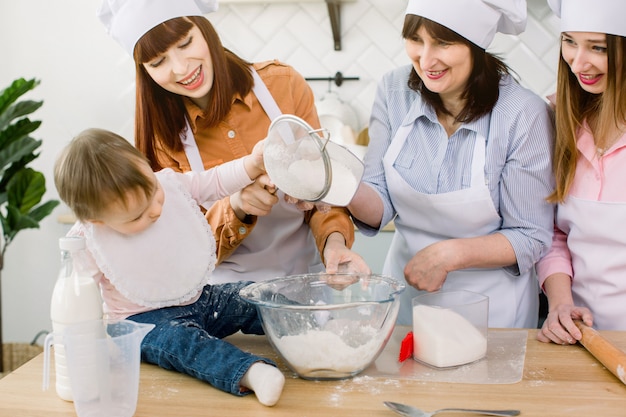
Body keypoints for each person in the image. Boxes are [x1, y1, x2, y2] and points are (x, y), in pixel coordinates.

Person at [97, 0, 369, 284]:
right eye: (158, 61)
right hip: (221, 300)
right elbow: (180, 248)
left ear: (205, 31)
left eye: (185, 42)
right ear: (145, 73)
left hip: (304, 283)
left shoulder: (283, 86)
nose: (181, 68)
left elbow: (323, 192)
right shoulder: (162, 140)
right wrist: (237, 207)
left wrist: (334, 245)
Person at [347, 0, 555, 327]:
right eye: (416, 39)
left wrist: (450, 255)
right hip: (405, 303)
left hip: (493, 313)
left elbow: (530, 236)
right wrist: (336, 185)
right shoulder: (394, 90)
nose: (426, 59)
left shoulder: (522, 113)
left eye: (443, 42)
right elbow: (379, 198)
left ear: (476, 45)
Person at [53, 128, 284, 406]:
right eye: (137, 215)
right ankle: (251, 372)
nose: (155, 209)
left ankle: (311, 328)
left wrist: (253, 164)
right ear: (98, 220)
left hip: (202, 300)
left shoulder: (171, 183)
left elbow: (217, 181)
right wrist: (78, 350)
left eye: (153, 191)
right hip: (145, 324)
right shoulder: (88, 241)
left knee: (251, 296)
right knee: (188, 345)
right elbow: (77, 306)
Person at [536, 0, 626, 343]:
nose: (578, 61)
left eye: (598, 47)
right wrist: (561, 304)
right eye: (569, 41)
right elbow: (555, 234)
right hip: (581, 338)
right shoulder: (563, 122)